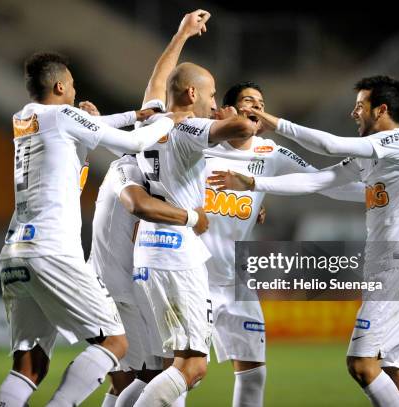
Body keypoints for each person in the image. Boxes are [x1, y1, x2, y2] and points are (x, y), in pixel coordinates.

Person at [208, 75, 399, 407]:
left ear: (381, 110)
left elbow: (329, 147)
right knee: (396, 372)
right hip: (395, 262)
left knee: (362, 364)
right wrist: (256, 186)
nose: (353, 113)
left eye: (360, 106)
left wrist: (273, 124)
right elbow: (318, 180)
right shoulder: (371, 157)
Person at [0, 51, 192, 407]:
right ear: (58, 86)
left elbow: (78, 130)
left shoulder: (24, 118)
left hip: (15, 253)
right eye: (70, 85)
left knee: (29, 364)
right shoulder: (62, 115)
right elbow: (134, 143)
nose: (74, 91)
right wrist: (169, 121)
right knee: (114, 342)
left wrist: (134, 115)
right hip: (52, 250)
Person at [201, 81, 364, 407]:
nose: (256, 109)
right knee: (185, 372)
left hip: (236, 282)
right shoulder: (199, 144)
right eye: (249, 101)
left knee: (253, 374)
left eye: (261, 103)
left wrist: (377, 193)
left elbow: (320, 181)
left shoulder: (269, 151)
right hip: (192, 275)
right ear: (230, 109)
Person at [125, 23, 262, 407]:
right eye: (212, 95)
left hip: (149, 254)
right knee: (193, 367)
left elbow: (157, 79)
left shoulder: (149, 119)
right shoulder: (189, 129)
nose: (213, 101)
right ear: (191, 94)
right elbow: (242, 125)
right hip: (177, 254)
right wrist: (231, 114)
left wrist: (182, 35)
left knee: (172, 362)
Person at [86, 11, 212, 407]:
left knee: (134, 377)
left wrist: (182, 34)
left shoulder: (142, 143)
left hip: (124, 279)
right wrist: (193, 218)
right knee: (167, 370)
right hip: (116, 286)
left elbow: (159, 82)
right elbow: (138, 204)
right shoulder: (129, 164)